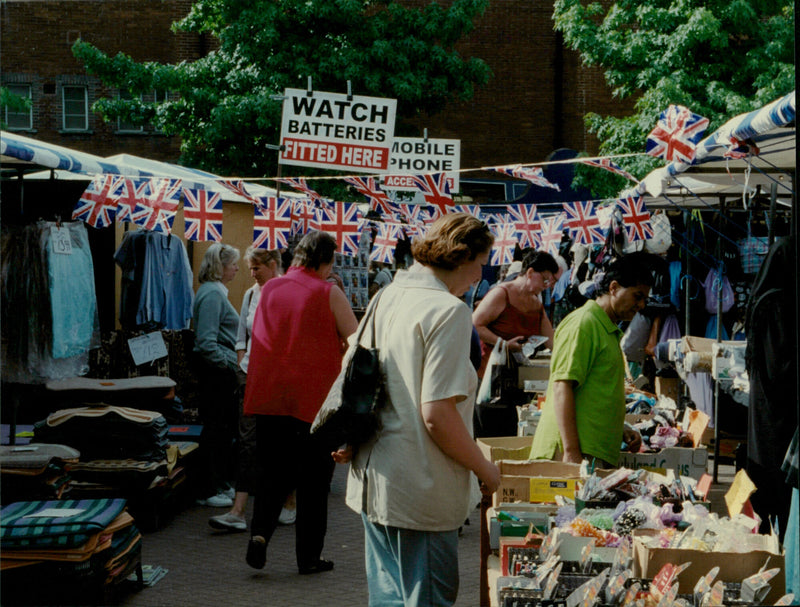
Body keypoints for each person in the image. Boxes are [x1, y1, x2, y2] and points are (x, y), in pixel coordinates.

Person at [344, 213, 502, 607]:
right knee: (427, 599)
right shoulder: (448, 311)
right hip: (420, 485)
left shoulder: (387, 295)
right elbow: (437, 415)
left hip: (375, 478)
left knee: (388, 599)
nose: (480, 274)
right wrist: (486, 470)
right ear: (463, 256)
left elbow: (357, 375)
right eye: (481, 263)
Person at [243, 231, 358, 574]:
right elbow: (356, 341)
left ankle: (260, 534)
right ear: (325, 261)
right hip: (313, 403)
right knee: (313, 483)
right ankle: (308, 557)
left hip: (267, 396)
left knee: (271, 473)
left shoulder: (271, 288)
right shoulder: (328, 292)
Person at [530, 253, 655, 468]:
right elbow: (561, 387)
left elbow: (594, 391)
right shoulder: (584, 323)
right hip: (573, 455)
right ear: (614, 288)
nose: (641, 305)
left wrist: (620, 428)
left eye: (645, 298)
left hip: (589, 452)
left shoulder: (604, 327)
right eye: (637, 296)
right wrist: (571, 453)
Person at [208, 247, 287, 532]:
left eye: (258, 268)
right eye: (250, 268)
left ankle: (284, 501)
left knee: (276, 442)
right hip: (250, 375)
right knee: (247, 440)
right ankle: (238, 510)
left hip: (276, 379)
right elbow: (242, 333)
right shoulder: (251, 294)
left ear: (274, 265)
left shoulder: (284, 291)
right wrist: (243, 362)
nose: (253, 274)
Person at [471, 250, 559, 437]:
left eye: (550, 282)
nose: (546, 286)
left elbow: (551, 340)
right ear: (529, 272)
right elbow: (475, 324)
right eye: (544, 280)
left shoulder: (536, 304)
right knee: (488, 434)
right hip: (488, 379)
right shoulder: (501, 294)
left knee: (511, 433)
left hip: (515, 383)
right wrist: (502, 343)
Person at [192, 243, 241, 508]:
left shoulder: (214, 292)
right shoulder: (212, 294)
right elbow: (206, 342)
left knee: (220, 431)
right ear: (220, 267)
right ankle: (208, 488)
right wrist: (228, 365)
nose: (236, 268)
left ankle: (217, 485)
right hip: (216, 375)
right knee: (216, 431)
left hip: (219, 372)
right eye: (232, 263)